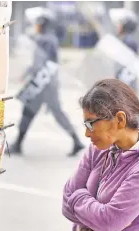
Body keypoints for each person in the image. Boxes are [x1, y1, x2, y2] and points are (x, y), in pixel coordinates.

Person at [62, 79, 139, 231]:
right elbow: (66, 205)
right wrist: (95, 210)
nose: (86, 133)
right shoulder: (99, 148)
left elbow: (108, 221)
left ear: (120, 120)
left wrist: (78, 196)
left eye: (90, 124)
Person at [11, 13, 84, 156]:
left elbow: (40, 63)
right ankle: (76, 140)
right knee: (40, 112)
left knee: (30, 112)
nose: (36, 26)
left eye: (38, 24)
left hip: (43, 83)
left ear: (42, 25)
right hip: (47, 82)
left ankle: (76, 141)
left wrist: (30, 76)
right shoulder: (50, 39)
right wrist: (26, 74)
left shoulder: (45, 40)